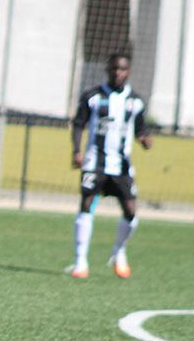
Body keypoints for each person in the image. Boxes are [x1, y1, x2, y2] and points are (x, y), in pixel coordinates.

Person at [70, 53, 152, 279]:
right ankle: (80, 262)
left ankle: (119, 251)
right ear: (108, 70)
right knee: (86, 205)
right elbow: (78, 124)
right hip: (95, 163)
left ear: (129, 72)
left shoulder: (135, 101)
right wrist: (76, 151)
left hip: (122, 167)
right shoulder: (93, 97)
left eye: (122, 69)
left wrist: (145, 139)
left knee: (131, 212)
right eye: (114, 68)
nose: (118, 72)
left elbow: (141, 129)